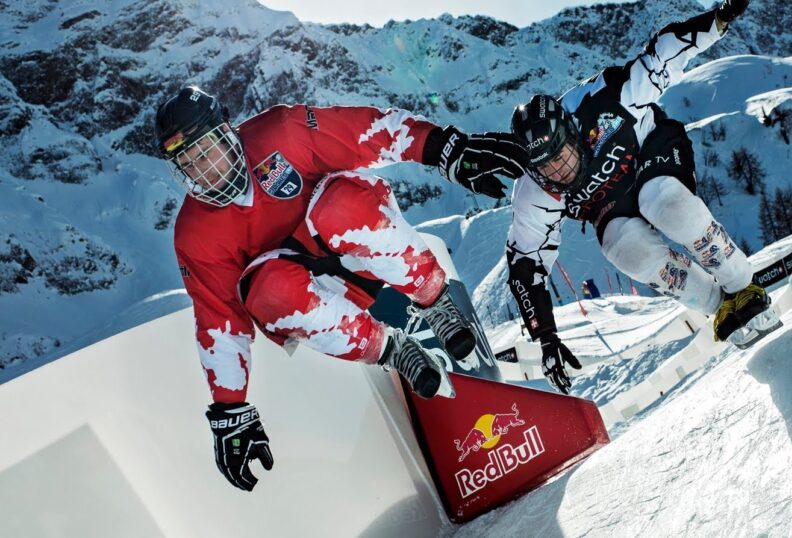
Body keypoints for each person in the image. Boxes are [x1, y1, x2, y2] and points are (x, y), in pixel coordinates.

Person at [155, 86, 525, 490]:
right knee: (265, 292)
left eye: (205, 152)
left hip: (360, 238)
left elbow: (360, 131)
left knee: (339, 207)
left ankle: (433, 300)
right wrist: (230, 411)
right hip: (319, 294)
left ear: (226, 132)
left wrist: (441, 147)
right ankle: (393, 348)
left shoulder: (280, 132)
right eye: (188, 164)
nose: (203, 172)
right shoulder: (195, 233)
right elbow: (219, 321)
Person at [505, 0, 772, 394]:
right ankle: (718, 304)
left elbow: (661, 54)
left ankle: (741, 282)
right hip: (610, 204)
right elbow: (525, 263)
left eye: (565, 155)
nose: (562, 170)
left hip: (651, 150)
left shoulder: (606, 100)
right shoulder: (534, 192)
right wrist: (546, 337)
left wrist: (718, 20)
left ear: (574, 130)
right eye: (549, 169)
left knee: (664, 203)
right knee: (625, 252)